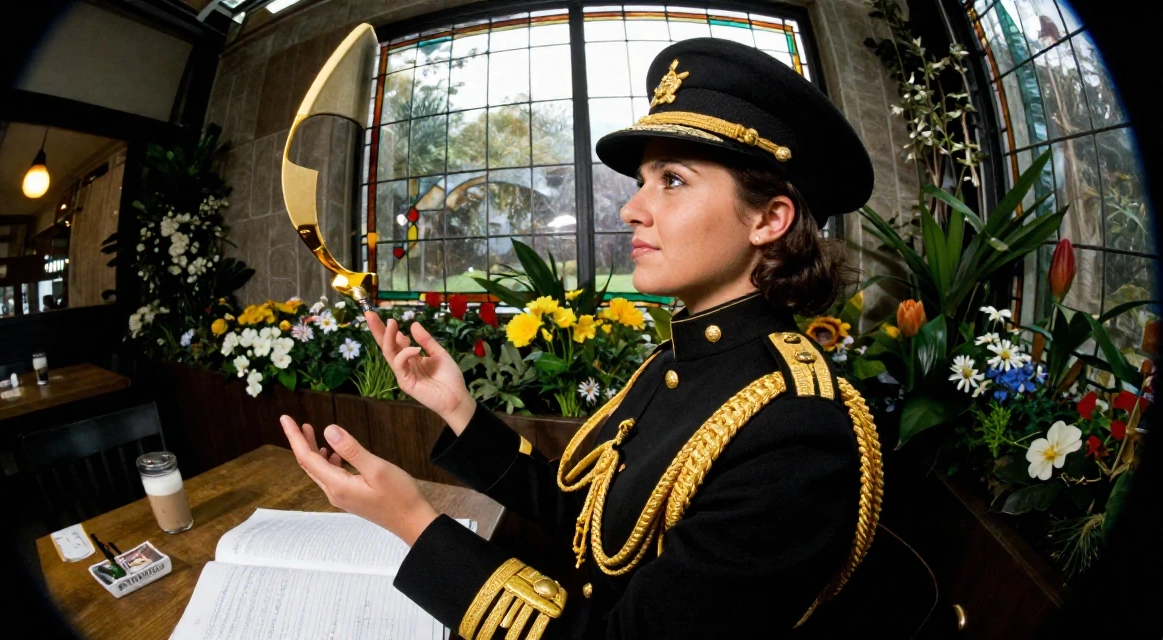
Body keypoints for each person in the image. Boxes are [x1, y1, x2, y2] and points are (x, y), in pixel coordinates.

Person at [280, 37, 880, 638]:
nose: (632, 210)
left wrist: (414, 522)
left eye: (671, 180)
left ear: (769, 219)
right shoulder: (674, 361)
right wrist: (459, 410)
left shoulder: (798, 429)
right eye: (644, 180)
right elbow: (594, 525)